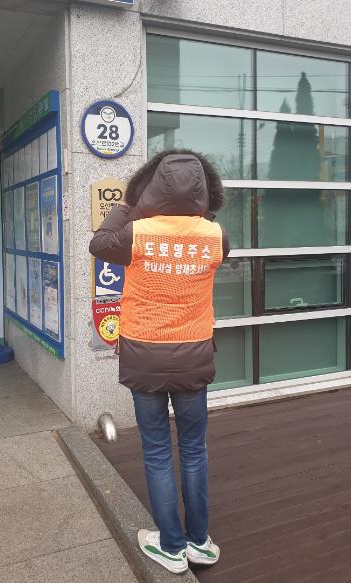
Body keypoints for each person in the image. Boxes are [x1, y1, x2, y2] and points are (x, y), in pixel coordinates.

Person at [89, 149, 230, 574]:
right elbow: (214, 244)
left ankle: (171, 546)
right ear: (204, 189)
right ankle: (199, 542)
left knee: (156, 451)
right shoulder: (215, 236)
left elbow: (98, 243)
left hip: (144, 354)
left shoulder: (137, 231)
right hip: (194, 355)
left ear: (151, 186)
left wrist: (126, 205)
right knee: (194, 450)